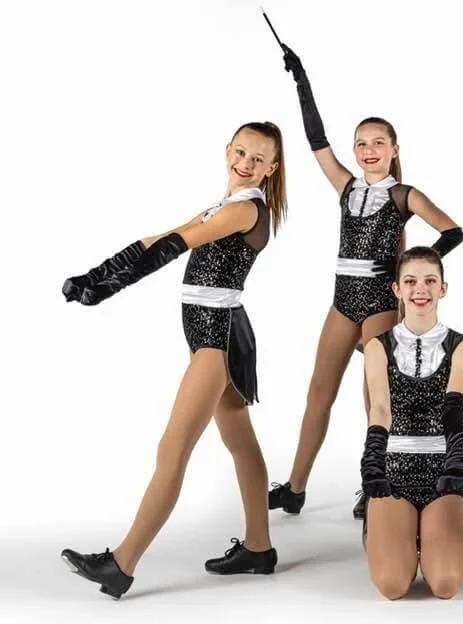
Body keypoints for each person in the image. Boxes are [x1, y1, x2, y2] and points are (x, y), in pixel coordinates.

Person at [60, 122, 287, 598]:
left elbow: (172, 248)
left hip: (216, 338)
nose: (245, 163)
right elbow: (158, 237)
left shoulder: (245, 209)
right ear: (227, 151)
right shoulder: (223, 205)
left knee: (173, 448)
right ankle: (259, 548)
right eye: (240, 152)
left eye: (257, 158)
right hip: (216, 333)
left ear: (271, 168)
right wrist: (94, 275)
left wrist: (107, 289)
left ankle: (121, 564)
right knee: (240, 442)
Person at [267, 42, 463, 520]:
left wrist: (403, 271)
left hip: (379, 303)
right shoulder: (347, 185)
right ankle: (295, 487)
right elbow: (317, 141)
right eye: (361, 144)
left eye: (378, 143)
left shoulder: (403, 195)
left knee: (376, 398)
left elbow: (452, 232)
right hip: (342, 301)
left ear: (394, 150)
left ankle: (373, 480)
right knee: (319, 392)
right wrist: (302, 81)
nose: (368, 151)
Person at [360, 247, 463, 599]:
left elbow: (453, 408)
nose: (420, 289)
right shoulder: (378, 346)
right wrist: (372, 461)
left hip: (443, 469)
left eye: (429, 281)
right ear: (397, 289)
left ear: (443, 289)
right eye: (410, 281)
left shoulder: (461, 345)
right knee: (393, 586)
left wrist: (455, 460)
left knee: (446, 584)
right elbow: (380, 408)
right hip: (394, 469)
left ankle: (428, 533)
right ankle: (394, 529)